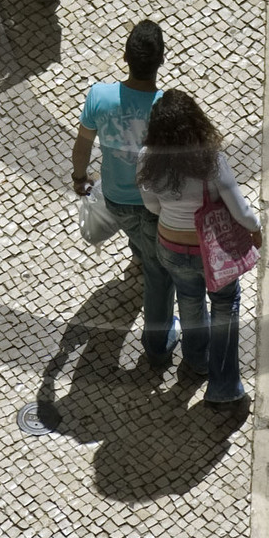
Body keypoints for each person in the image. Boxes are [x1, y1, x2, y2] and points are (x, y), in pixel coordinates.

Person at [135, 88, 260, 407]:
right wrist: (257, 229)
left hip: (171, 247)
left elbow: (152, 206)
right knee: (225, 305)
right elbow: (240, 211)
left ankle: (197, 359)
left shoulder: (146, 157)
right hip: (212, 253)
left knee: (189, 300)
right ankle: (224, 386)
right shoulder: (212, 161)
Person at [71, 21, 175, 361]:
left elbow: (82, 146)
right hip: (154, 204)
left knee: (133, 229)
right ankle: (157, 345)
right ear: (161, 61)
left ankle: (139, 254)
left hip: (115, 197)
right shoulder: (166, 107)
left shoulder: (99, 97)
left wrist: (79, 177)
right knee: (159, 274)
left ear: (125, 57)